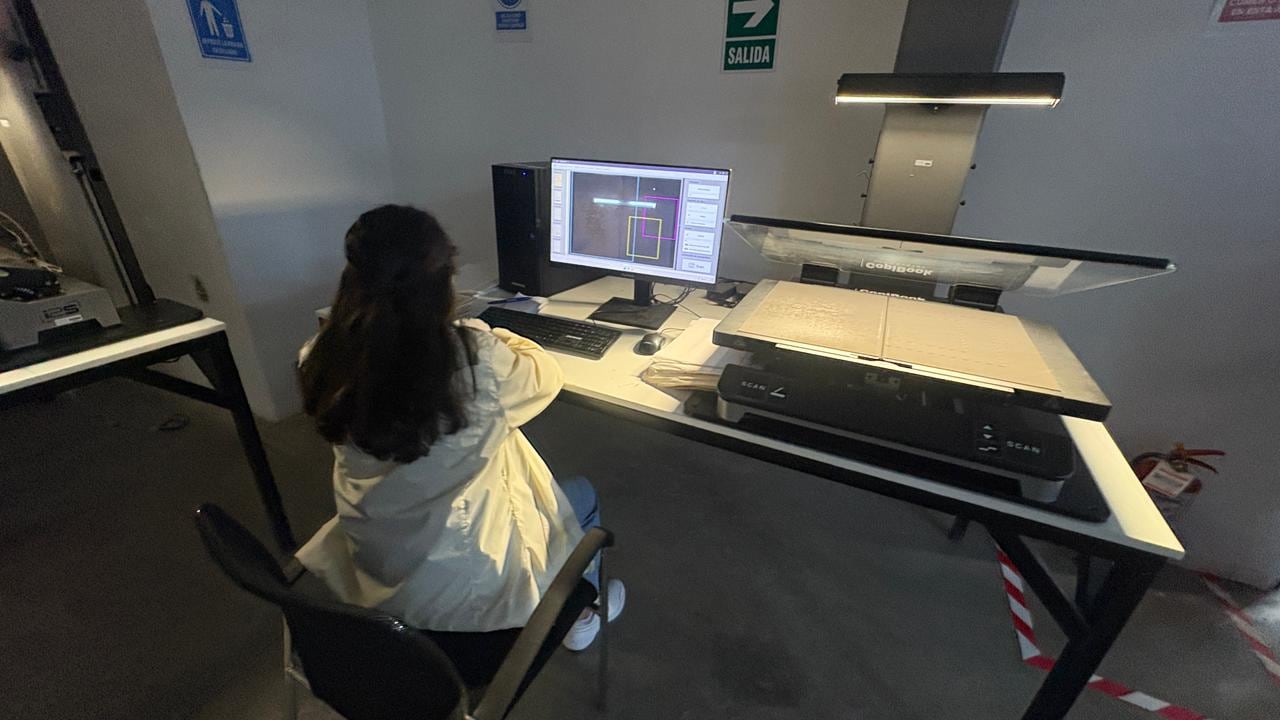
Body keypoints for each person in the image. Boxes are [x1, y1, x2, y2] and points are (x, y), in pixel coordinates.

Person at [296, 204, 623, 653]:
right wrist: (484, 331)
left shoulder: (323, 354)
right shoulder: (472, 361)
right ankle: (580, 616)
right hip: (468, 607)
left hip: (380, 569)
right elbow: (545, 376)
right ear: (442, 283)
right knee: (581, 495)